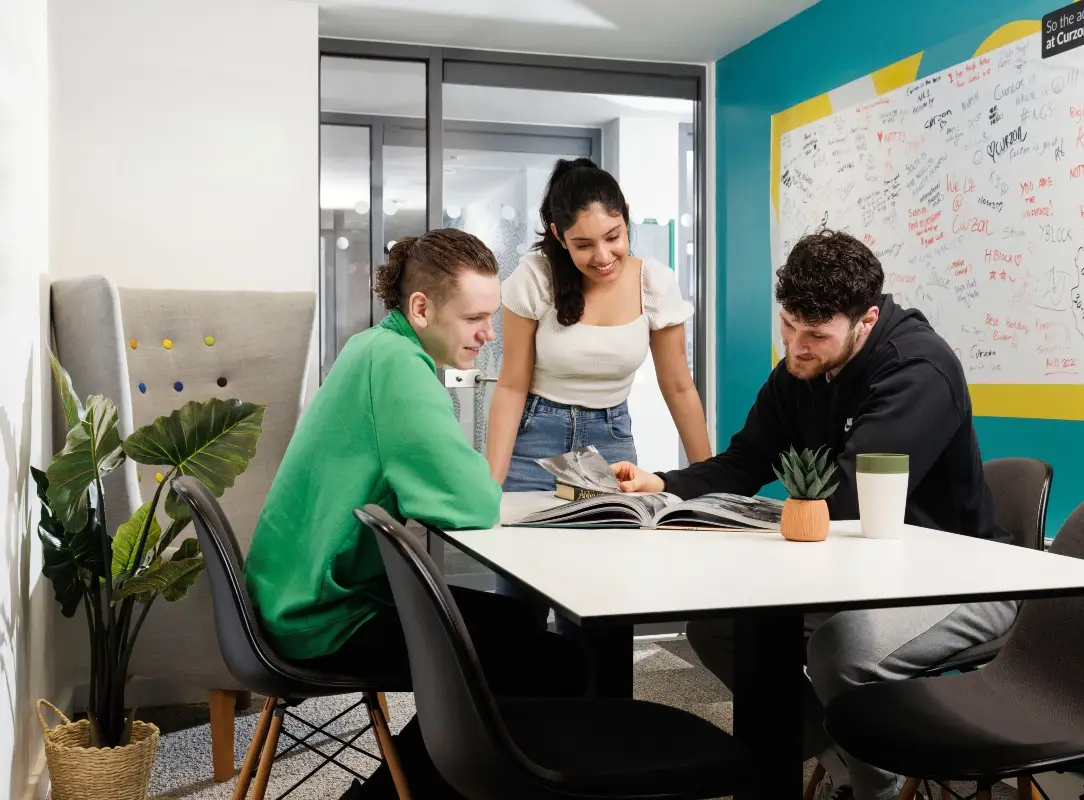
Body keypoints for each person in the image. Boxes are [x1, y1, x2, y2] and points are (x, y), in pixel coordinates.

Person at [613, 229, 1018, 800]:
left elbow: (848, 499)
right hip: (861, 574)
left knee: (842, 649)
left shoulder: (918, 371)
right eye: (788, 327)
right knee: (722, 629)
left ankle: (879, 788)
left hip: (960, 581)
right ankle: (841, 755)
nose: (796, 347)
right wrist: (667, 484)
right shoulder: (801, 369)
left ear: (867, 319)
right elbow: (746, 459)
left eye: (816, 335)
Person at [244, 229, 589, 799]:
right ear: (422, 308)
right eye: (475, 317)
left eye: (491, 317)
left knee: (515, 630)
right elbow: (473, 503)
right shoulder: (400, 367)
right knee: (555, 666)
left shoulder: (371, 347)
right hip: (324, 617)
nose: (488, 333)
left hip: (295, 596)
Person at [484, 156, 711, 490]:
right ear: (559, 237)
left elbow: (679, 388)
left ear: (627, 216)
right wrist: (490, 486)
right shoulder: (535, 278)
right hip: (534, 443)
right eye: (583, 245)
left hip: (611, 443)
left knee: (614, 542)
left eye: (613, 237)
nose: (603, 257)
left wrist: (707, 484)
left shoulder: (654, 283)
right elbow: (511, 387)